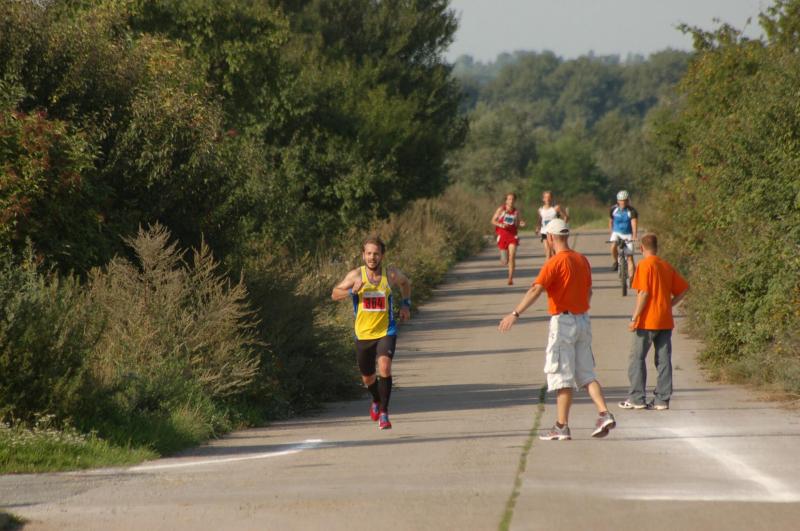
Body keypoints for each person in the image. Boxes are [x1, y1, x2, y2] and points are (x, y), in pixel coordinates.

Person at [498, 219, 616, 440]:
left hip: (563, 322)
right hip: (583, 320)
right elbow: (589, 291)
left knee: (562, 375)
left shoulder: (554, 262)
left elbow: (536, 290)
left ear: (551, 238)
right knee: (587, 374)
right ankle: (604, 413)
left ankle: (561, 426)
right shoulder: (581, 260)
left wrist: (515, 313)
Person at [331, 236, 412, 430]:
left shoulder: (390, 274)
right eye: (368, 253)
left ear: (382, 255)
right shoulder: (355, 276)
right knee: (368, 378)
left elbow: (405, 283)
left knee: (384, 367)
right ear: (363, 255)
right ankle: (376, 399)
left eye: (376, 254)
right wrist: (351, 292)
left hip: (386, 331)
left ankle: (384, 413)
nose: (372, 257)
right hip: (363, 334)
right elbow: (334, 294)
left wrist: (405, 305)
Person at [618, 234, 689, 411]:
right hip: (665, 319)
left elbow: (643, 293)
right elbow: (684, 289)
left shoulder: (644, 265)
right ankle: (662, 400)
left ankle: (637, 398)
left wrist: (634, 317)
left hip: (647, 321)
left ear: (641, 248)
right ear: (656, 247)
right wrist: (669, 304)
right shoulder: (665, 266)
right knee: (663, 360)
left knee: (637, 358)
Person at [491, 193, 526, 285]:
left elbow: (517, 224)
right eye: (509, 199)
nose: (511, 201)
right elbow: (493, 220)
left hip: (512, 236)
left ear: (515, 201)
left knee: (512, 256)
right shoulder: (501, 209)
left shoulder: (516, 212)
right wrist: (501, 224)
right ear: (506, 200)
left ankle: (510, 278)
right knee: (505, 261)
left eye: (513, 199)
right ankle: (503, 259)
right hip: (502, 236)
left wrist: (521, 223)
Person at [609, 190, 638, 280]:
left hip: (627, 233)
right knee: (613, 246)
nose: (623, 202)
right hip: (616, 232)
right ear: (618, 201)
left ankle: (632, 279)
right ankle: (616, 262)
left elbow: (634, 223)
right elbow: (611, 221)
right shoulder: (614, 209)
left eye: (625, 200)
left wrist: (634, 235)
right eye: (621, 200)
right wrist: (611, 232)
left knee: (629, 257)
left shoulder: (631, 211)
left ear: (628, 200)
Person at [536, 190, 568, 260]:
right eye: (546, 197)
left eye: (549, 197)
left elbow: (565, 217)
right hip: (544, 232)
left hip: (554, 232)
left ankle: (554, 264)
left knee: (553, 252)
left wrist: (563, 225)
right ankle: (548, 266)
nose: (547, 199)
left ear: (552, 198)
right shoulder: (540, 210)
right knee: (548, 251)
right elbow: (539, 220)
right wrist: (537, 228)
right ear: (543, 199)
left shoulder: (556, 208)